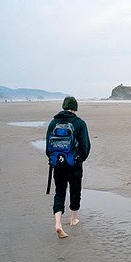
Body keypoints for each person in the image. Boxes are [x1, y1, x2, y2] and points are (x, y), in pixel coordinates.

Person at [46, 96, 91, 238]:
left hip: (57, 164)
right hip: (74, 163)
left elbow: (48, 147)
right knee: (75, 190)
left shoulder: (54, 123)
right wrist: (80, 159)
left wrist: (54, 159)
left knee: (59, 192)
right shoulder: (79, 123)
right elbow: (85, 146)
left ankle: (58, 223)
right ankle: (73, 219)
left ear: (63, 107)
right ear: (75, 108)